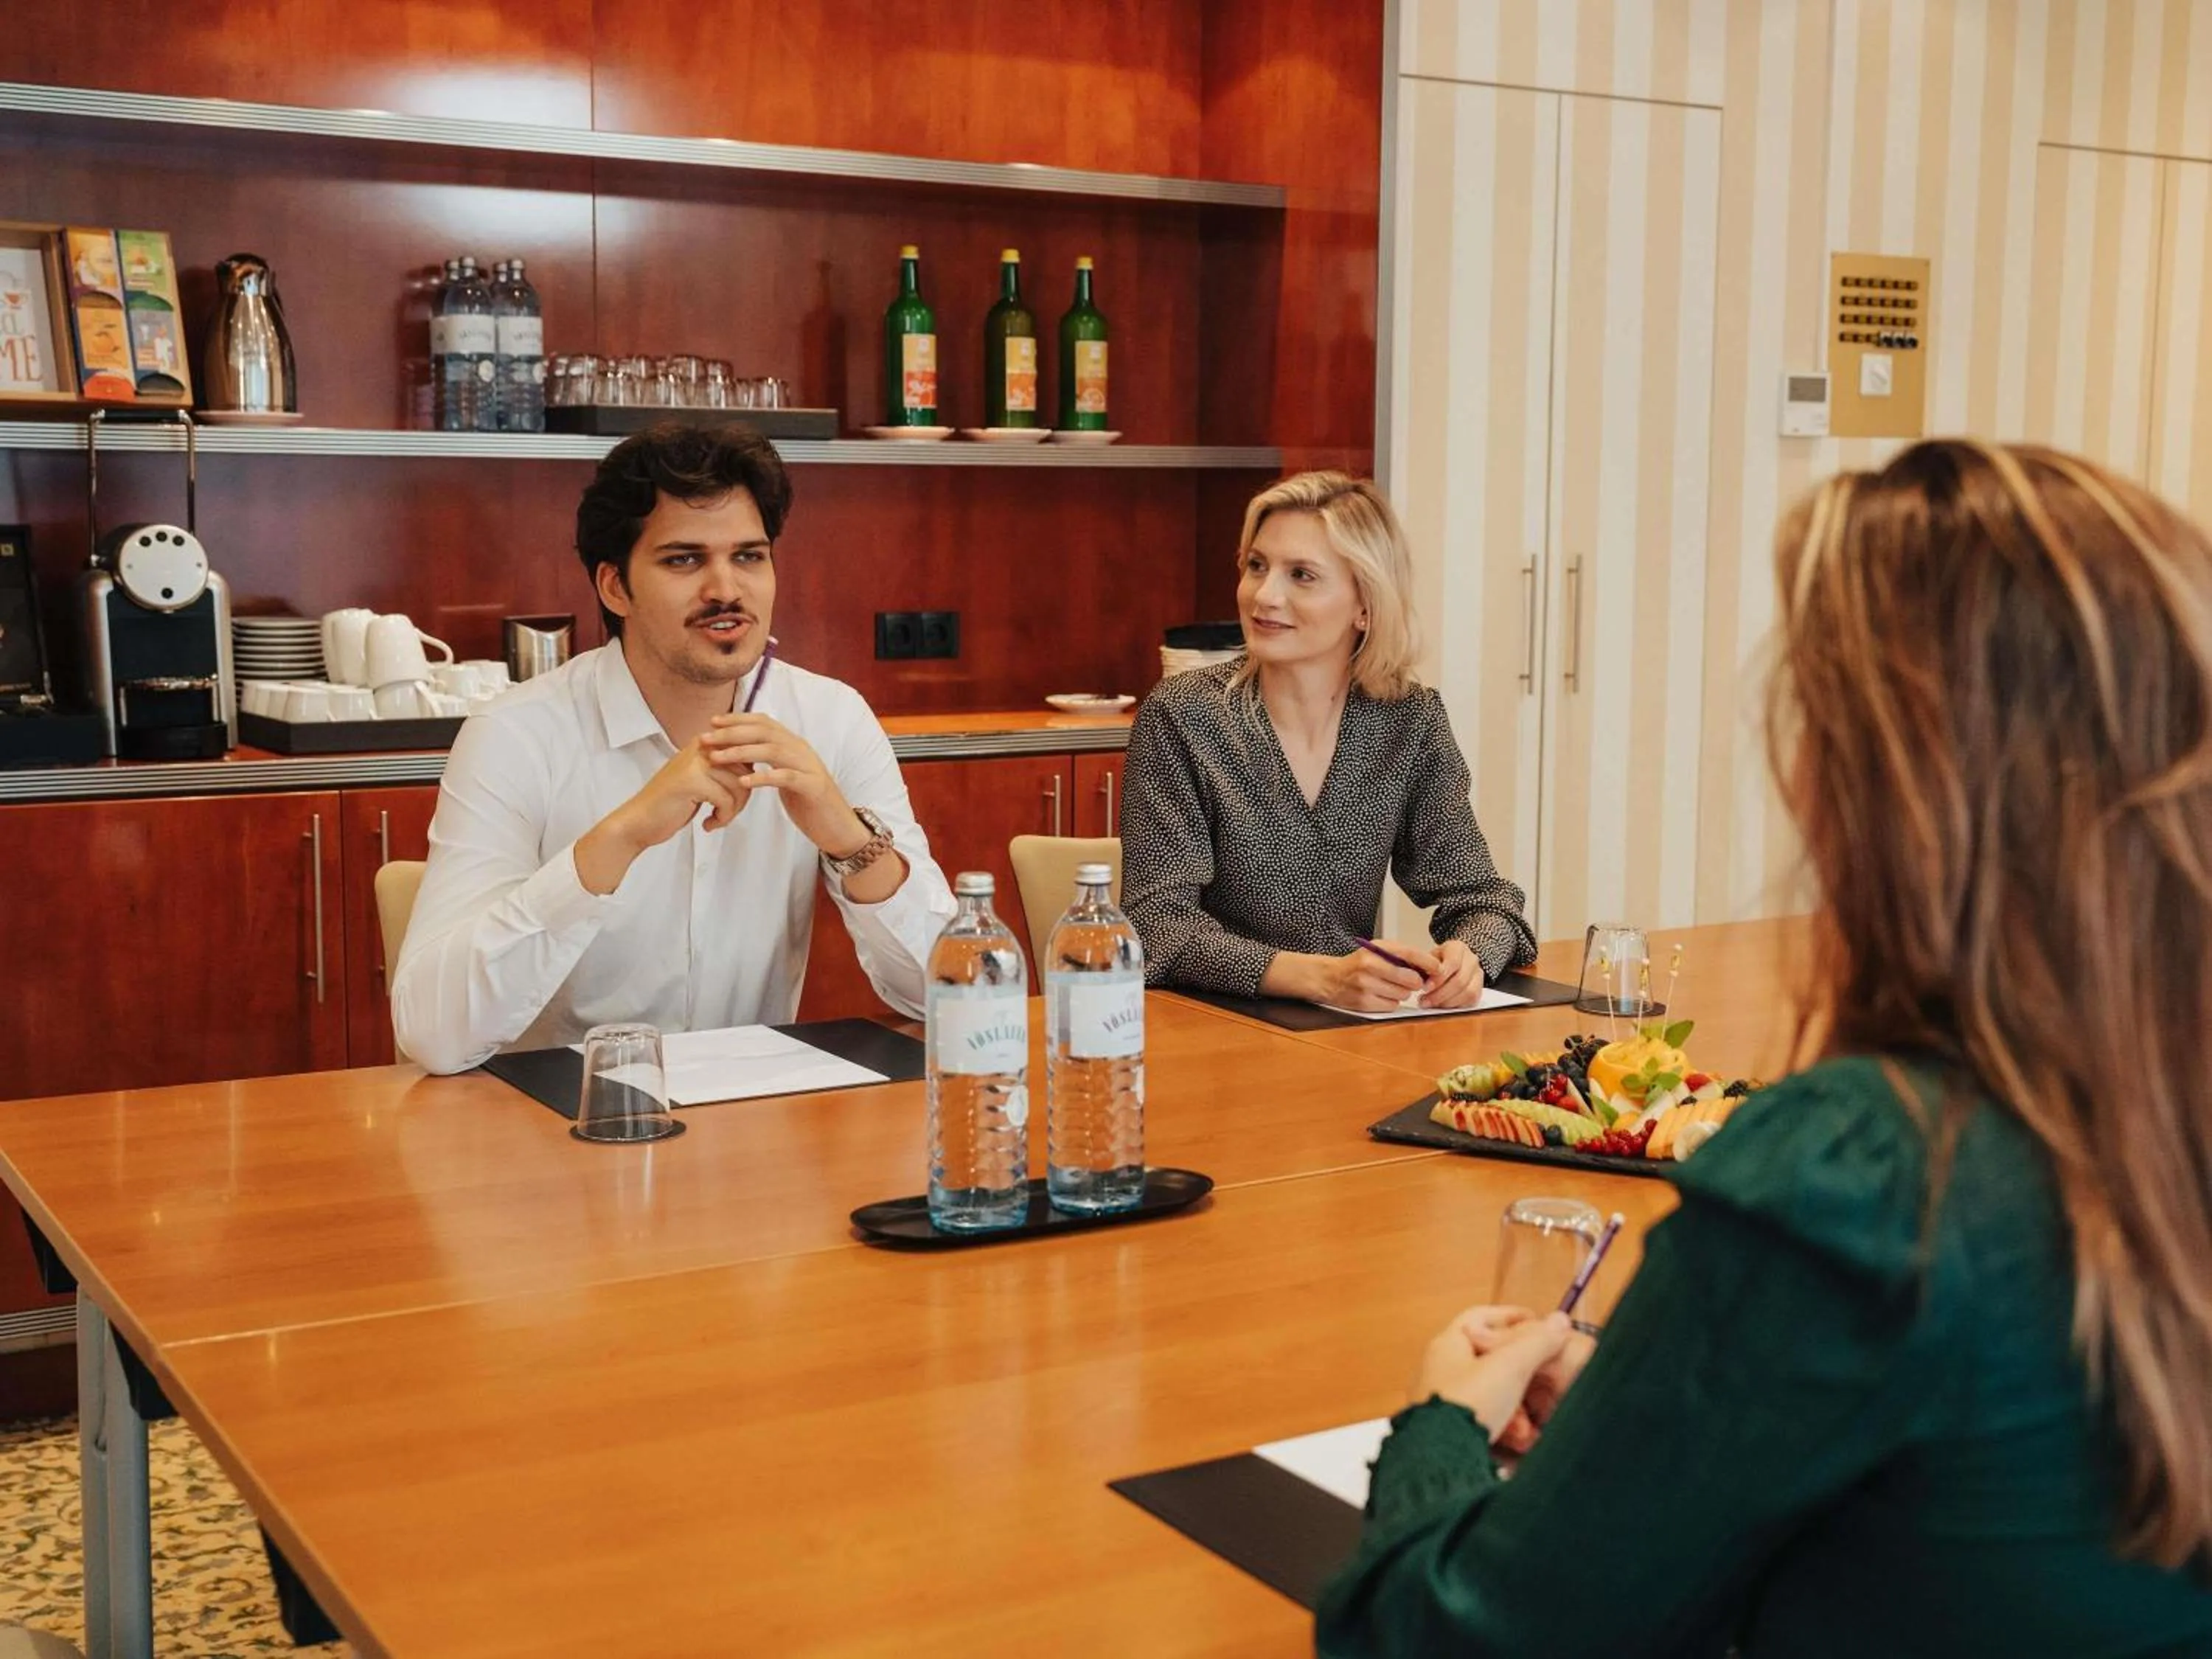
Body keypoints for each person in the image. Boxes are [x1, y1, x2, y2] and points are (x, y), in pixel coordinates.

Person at [1316, 440, 2212, 1655]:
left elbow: (1440, 1637)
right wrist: (1669, 1423)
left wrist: (1435, 1429)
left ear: (1873, 780)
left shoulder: (1865, 1173)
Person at [392, 423, 954, 1074]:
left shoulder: (831, 719)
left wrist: (853, 842)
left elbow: (944, 995)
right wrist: (621, 837)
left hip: (752, 1126)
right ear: (615, 588)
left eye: (749, 556)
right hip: (556, 1131)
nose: (726, 589)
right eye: (684, 559)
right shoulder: (515, 735)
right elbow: (432, 1035)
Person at [1119, 471, 1534, 1011]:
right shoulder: (1184, 715)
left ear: (1365, 604)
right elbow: (1156, 926)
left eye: (1302, 576)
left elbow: (1483, 898)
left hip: (1348, 1033)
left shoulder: (1409, 720)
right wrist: (1319, 978)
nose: (1265, 595)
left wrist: (1469, 956)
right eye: (1257, 566)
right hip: (1212, 1030)